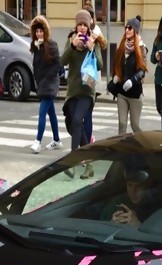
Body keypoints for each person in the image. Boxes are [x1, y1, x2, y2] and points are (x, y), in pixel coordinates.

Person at [61, 9, 103, 179]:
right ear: (76, 26)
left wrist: (91, 48)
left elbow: (100, 65)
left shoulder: (94, 41)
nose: (83, 28)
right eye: (80, 25)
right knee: (76, 126)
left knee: (79, 120)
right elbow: (62, 61)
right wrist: (72, 46)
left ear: (89, 26)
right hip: (73, 91)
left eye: (85, 25)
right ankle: (90, 165)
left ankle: (72, 162)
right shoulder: (71, 40)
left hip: (87, 90)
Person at [29, 15, 63, 154]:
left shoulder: (51, 45)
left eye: (41, 31)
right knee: (51, 113)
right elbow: (36, 66)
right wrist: (37, 81)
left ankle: (38, 141)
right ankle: (57, 140)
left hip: (50, 84)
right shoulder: (36, 46)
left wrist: (49, 76)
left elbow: (59, 64)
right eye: (37, 31)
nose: (39, 34)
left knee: (42, 112)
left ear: (45, 32)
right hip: (42, 83)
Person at [110, 16, 148, 135]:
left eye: (130, 28)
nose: (127, 30)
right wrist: (115, 77)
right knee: (122, 124)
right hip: (122, 93)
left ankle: (144, 143)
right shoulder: (122, 47)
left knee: (135, 125)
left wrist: (132, 81)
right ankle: (122, 146)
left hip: (135, 94)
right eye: (126, 27)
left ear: (135, 31)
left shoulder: (141, 49)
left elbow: (142, 71)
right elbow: (116, 65)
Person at [83, 6, 107, 144]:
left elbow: (104, 45)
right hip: (82, 76)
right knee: (83, 113)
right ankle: (87, 138)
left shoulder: (96, 30)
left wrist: (95, 38)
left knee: (88, 112)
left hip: (92, 77)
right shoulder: (79, 31)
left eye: (88, 16)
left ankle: (88, 139)